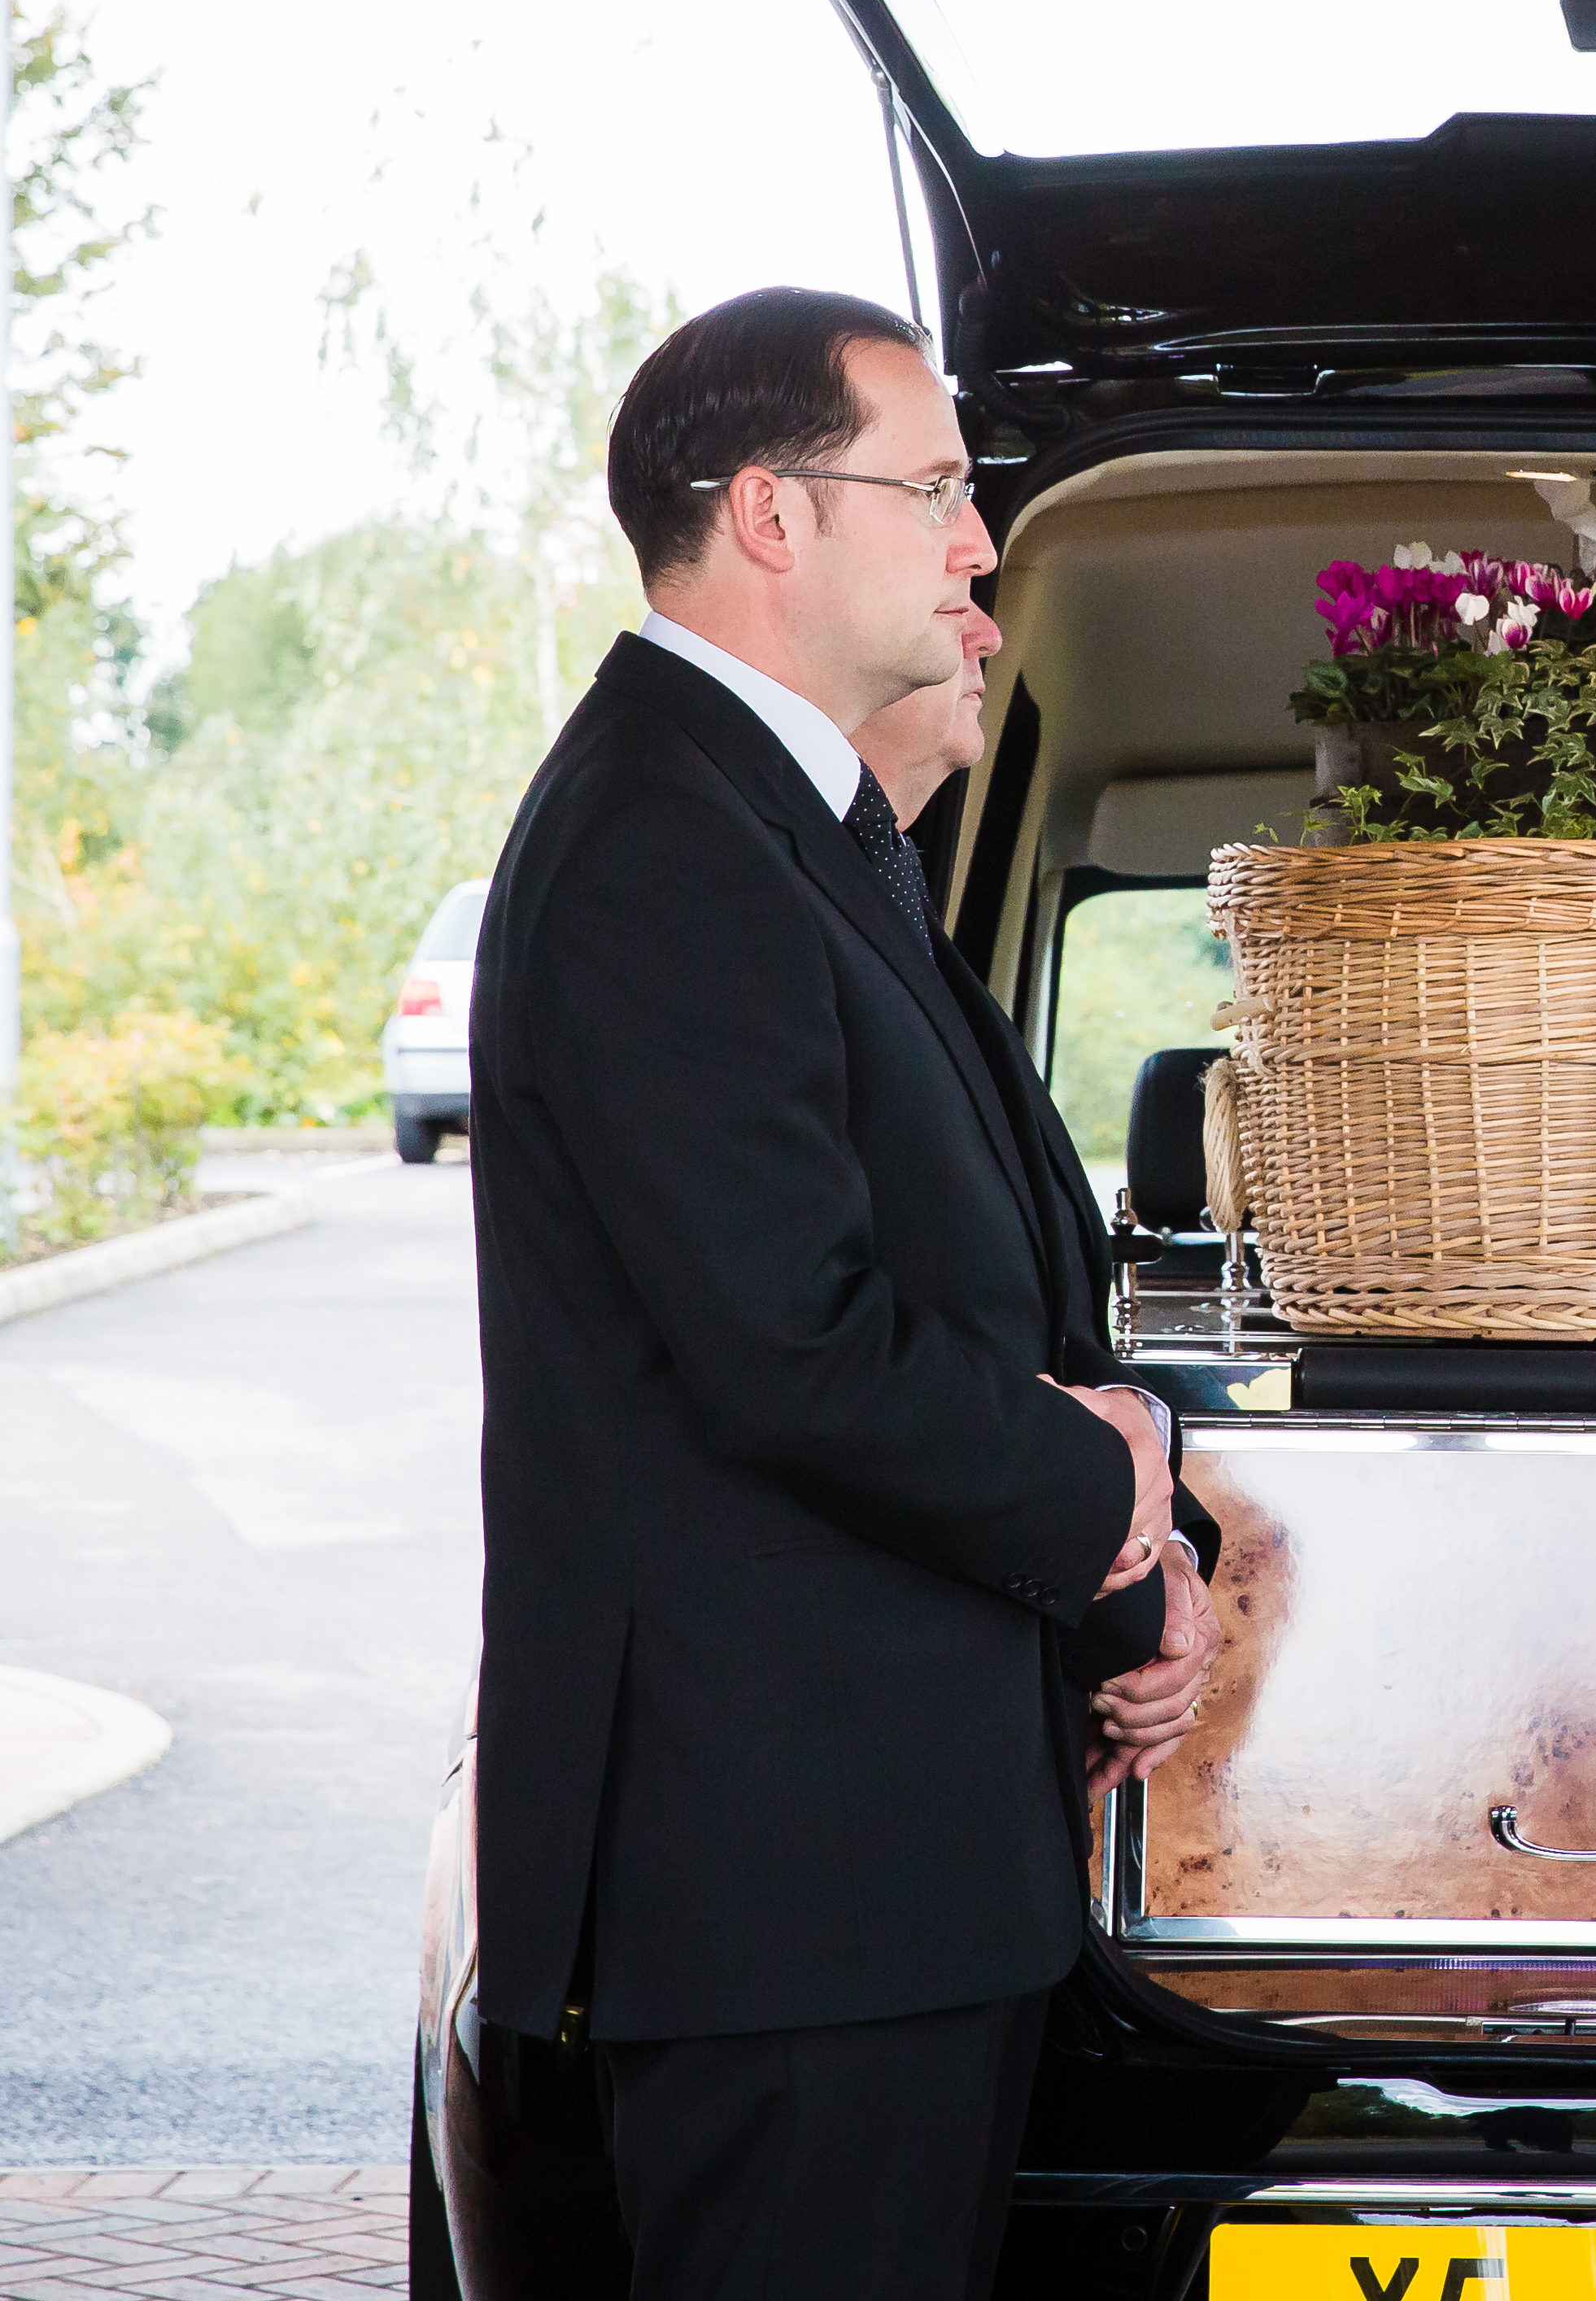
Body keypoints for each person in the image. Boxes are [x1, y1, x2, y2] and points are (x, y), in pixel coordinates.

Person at [471, 287, 1209, 2300]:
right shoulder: (662, 841)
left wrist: (1141, 1561)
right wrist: (1112, 1506)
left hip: (870, 1888)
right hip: (781, 1897)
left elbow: (988, 1313)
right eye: (942, 489)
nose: (980, 545)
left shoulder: (784, 834)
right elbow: (793, 1348)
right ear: (770, 515)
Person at [853, 603, 1222, 1790]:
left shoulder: (917, 944)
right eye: (939, 627)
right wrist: (1137, 1581)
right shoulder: (825, 933)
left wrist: (1167, 1556)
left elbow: (1062, 1356)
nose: (986, 637)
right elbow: (841, 1363)